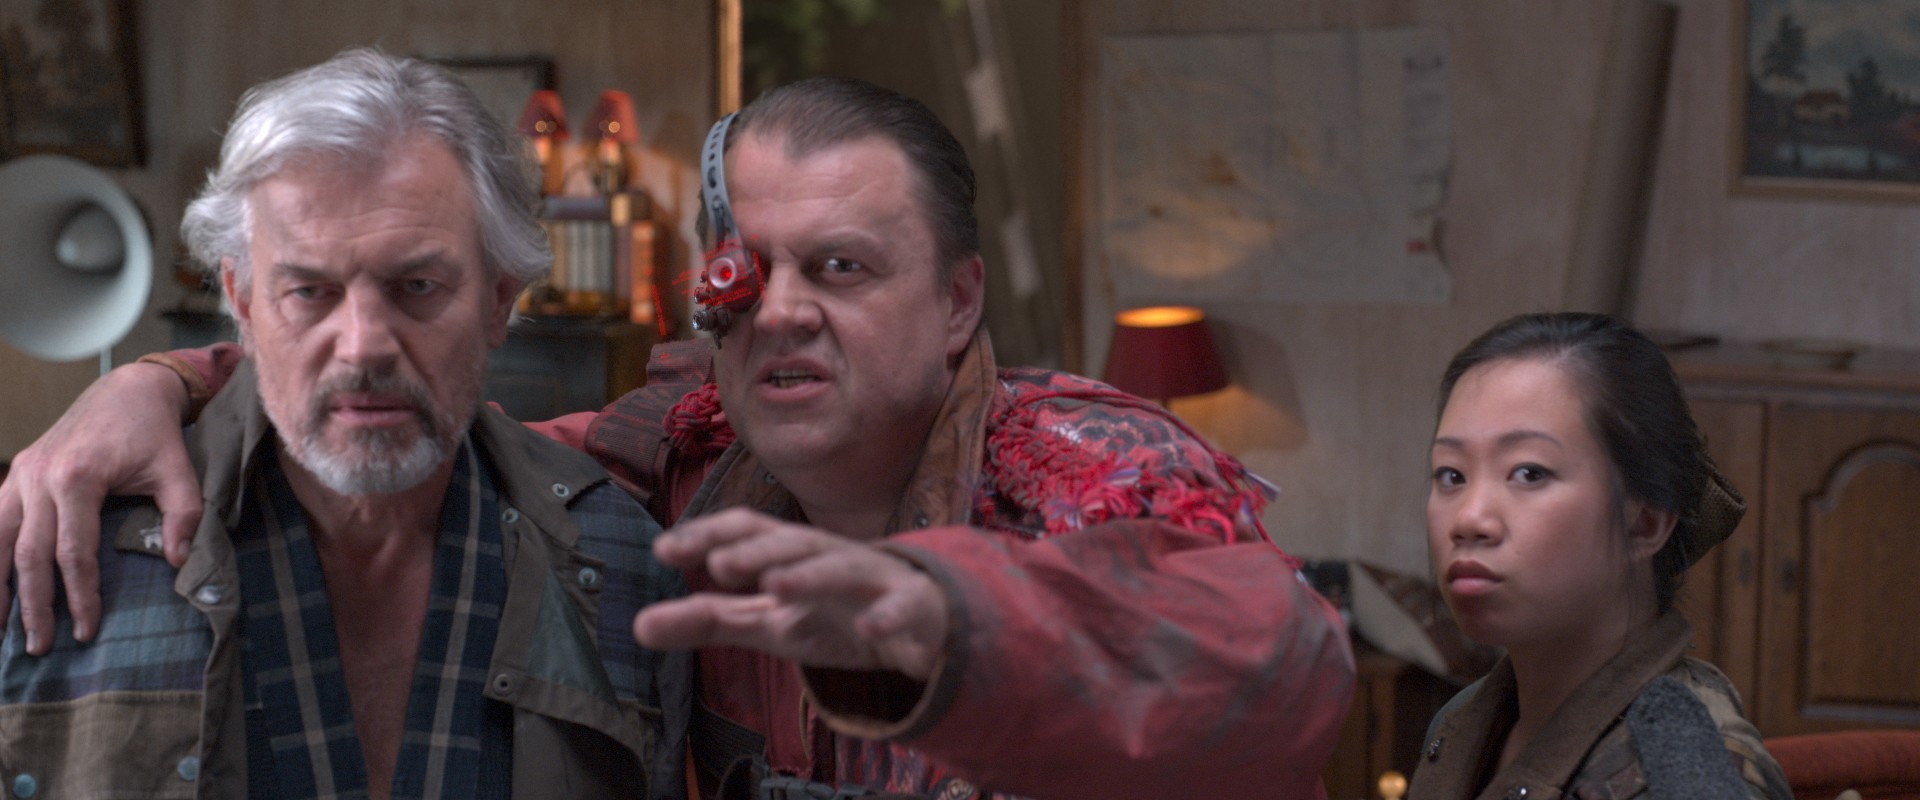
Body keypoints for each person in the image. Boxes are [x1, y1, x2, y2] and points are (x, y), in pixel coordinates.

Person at [0, 77, 1354, 799]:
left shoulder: (1094, 463)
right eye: (747, 273)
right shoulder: (661, 465)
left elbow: (1285, 673)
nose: (785, 312)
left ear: (958, 302)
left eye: (842, 267)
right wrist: (158, 383)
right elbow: (395, 405)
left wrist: (957, 625)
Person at [0, 50, 690, 799]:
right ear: (242, 301)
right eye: (309, 291)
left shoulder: (622, 561)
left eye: (416, 285)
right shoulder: (62, 540)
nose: (363, 346)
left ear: (499, 299)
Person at [1414, 312, 1790, 799]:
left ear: (1645, 522)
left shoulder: (1682, 774)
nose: (1468, 519)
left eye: (1529, 473)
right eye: (1452, 475)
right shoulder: (1461, 722)